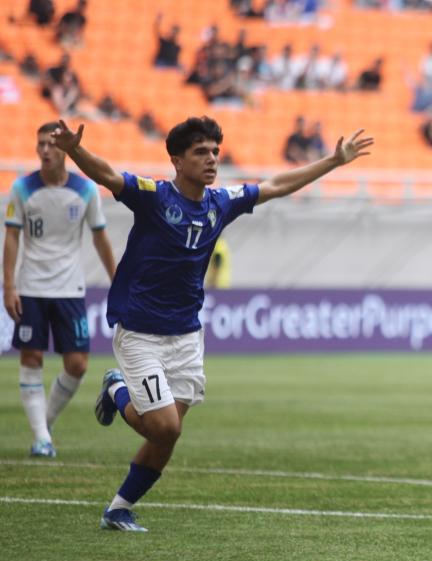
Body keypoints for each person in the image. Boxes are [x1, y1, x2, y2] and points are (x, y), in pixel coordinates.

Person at [48, 115, 372, 531]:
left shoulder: (221, 202)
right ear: (177, 160)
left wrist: (332, 162)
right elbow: (108, 174)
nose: (212, 159)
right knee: (162, 425)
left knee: (169, 433)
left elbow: (275, 186)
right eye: (201, 152)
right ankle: (116, 389)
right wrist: (74, 149)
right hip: (141, 332)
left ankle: (118, 508)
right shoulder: (153, 196)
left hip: (186, 334)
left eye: (216, 151)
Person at [3, 121, 117, 458]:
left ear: (65, 149)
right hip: (32, 286)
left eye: (50, 144)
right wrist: (8, 285)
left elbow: (100, 237)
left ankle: (44, 426)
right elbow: (11, 237)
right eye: (39, 144)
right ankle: (41, 438)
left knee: (78, 364)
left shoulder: (86, 190)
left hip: (70, 287)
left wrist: (118, 281)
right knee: (32, 356)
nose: (44, 150)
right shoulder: (21, 188)